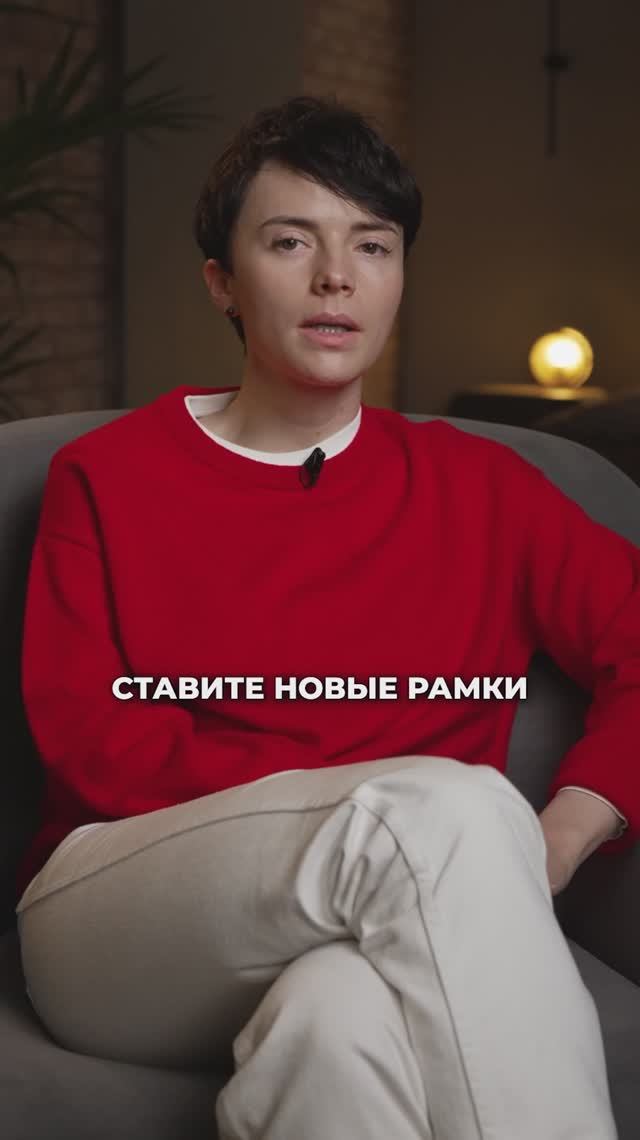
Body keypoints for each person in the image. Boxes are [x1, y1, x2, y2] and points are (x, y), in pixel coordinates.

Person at [14, 95, 638, 1140]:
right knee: (441, 812)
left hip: (388, 907)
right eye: (290, 241)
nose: (337, 276)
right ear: (222, 280)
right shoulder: (105, 478)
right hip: (120, 915)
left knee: (335, 1029)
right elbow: (95, 743)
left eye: (373, 245)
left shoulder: (485, 488)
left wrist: (559, 836)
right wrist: (391, 812)